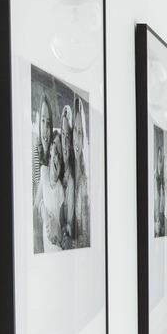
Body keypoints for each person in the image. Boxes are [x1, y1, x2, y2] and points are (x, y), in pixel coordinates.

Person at [33, 130, 65, 253]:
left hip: (55, 246)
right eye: (54, 149)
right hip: (45, 247)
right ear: (50, 150)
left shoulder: (60, 189)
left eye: (59, 153)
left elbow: (60, 226)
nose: (56, 157)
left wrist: (56, 232)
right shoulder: (44, 172)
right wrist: (45, 215)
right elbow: (37, 205)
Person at [73, 96, 90, 248]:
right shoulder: (70, 168)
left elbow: (85, 232)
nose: (76, 138)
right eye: (75, 131)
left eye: (80, 132)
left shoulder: (85, 180)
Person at [59, 105, 75, 248]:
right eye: (63, 135)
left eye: (68, 136)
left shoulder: (72, 175)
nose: (65, 141)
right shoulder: (56, 165)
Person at [32, 94, 53, 202]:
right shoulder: (34, 151)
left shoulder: (54, 154)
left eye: (48, 123)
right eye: (43, 121)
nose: (45, 128)